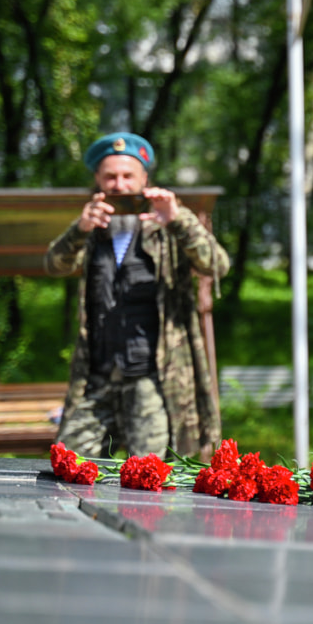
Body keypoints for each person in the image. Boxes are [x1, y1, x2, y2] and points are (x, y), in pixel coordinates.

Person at [46, 131, 230, 460]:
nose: (119, 185)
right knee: (69, 465)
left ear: (144, 178)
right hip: (98, 374)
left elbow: (217, 265)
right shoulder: (91, 228)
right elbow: (54, 264)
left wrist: (178, 220)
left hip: (151, 378)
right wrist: (79, 230)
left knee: (148, 477)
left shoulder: (167, 223)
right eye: (110, 177)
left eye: (128, 176)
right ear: (97, 181)